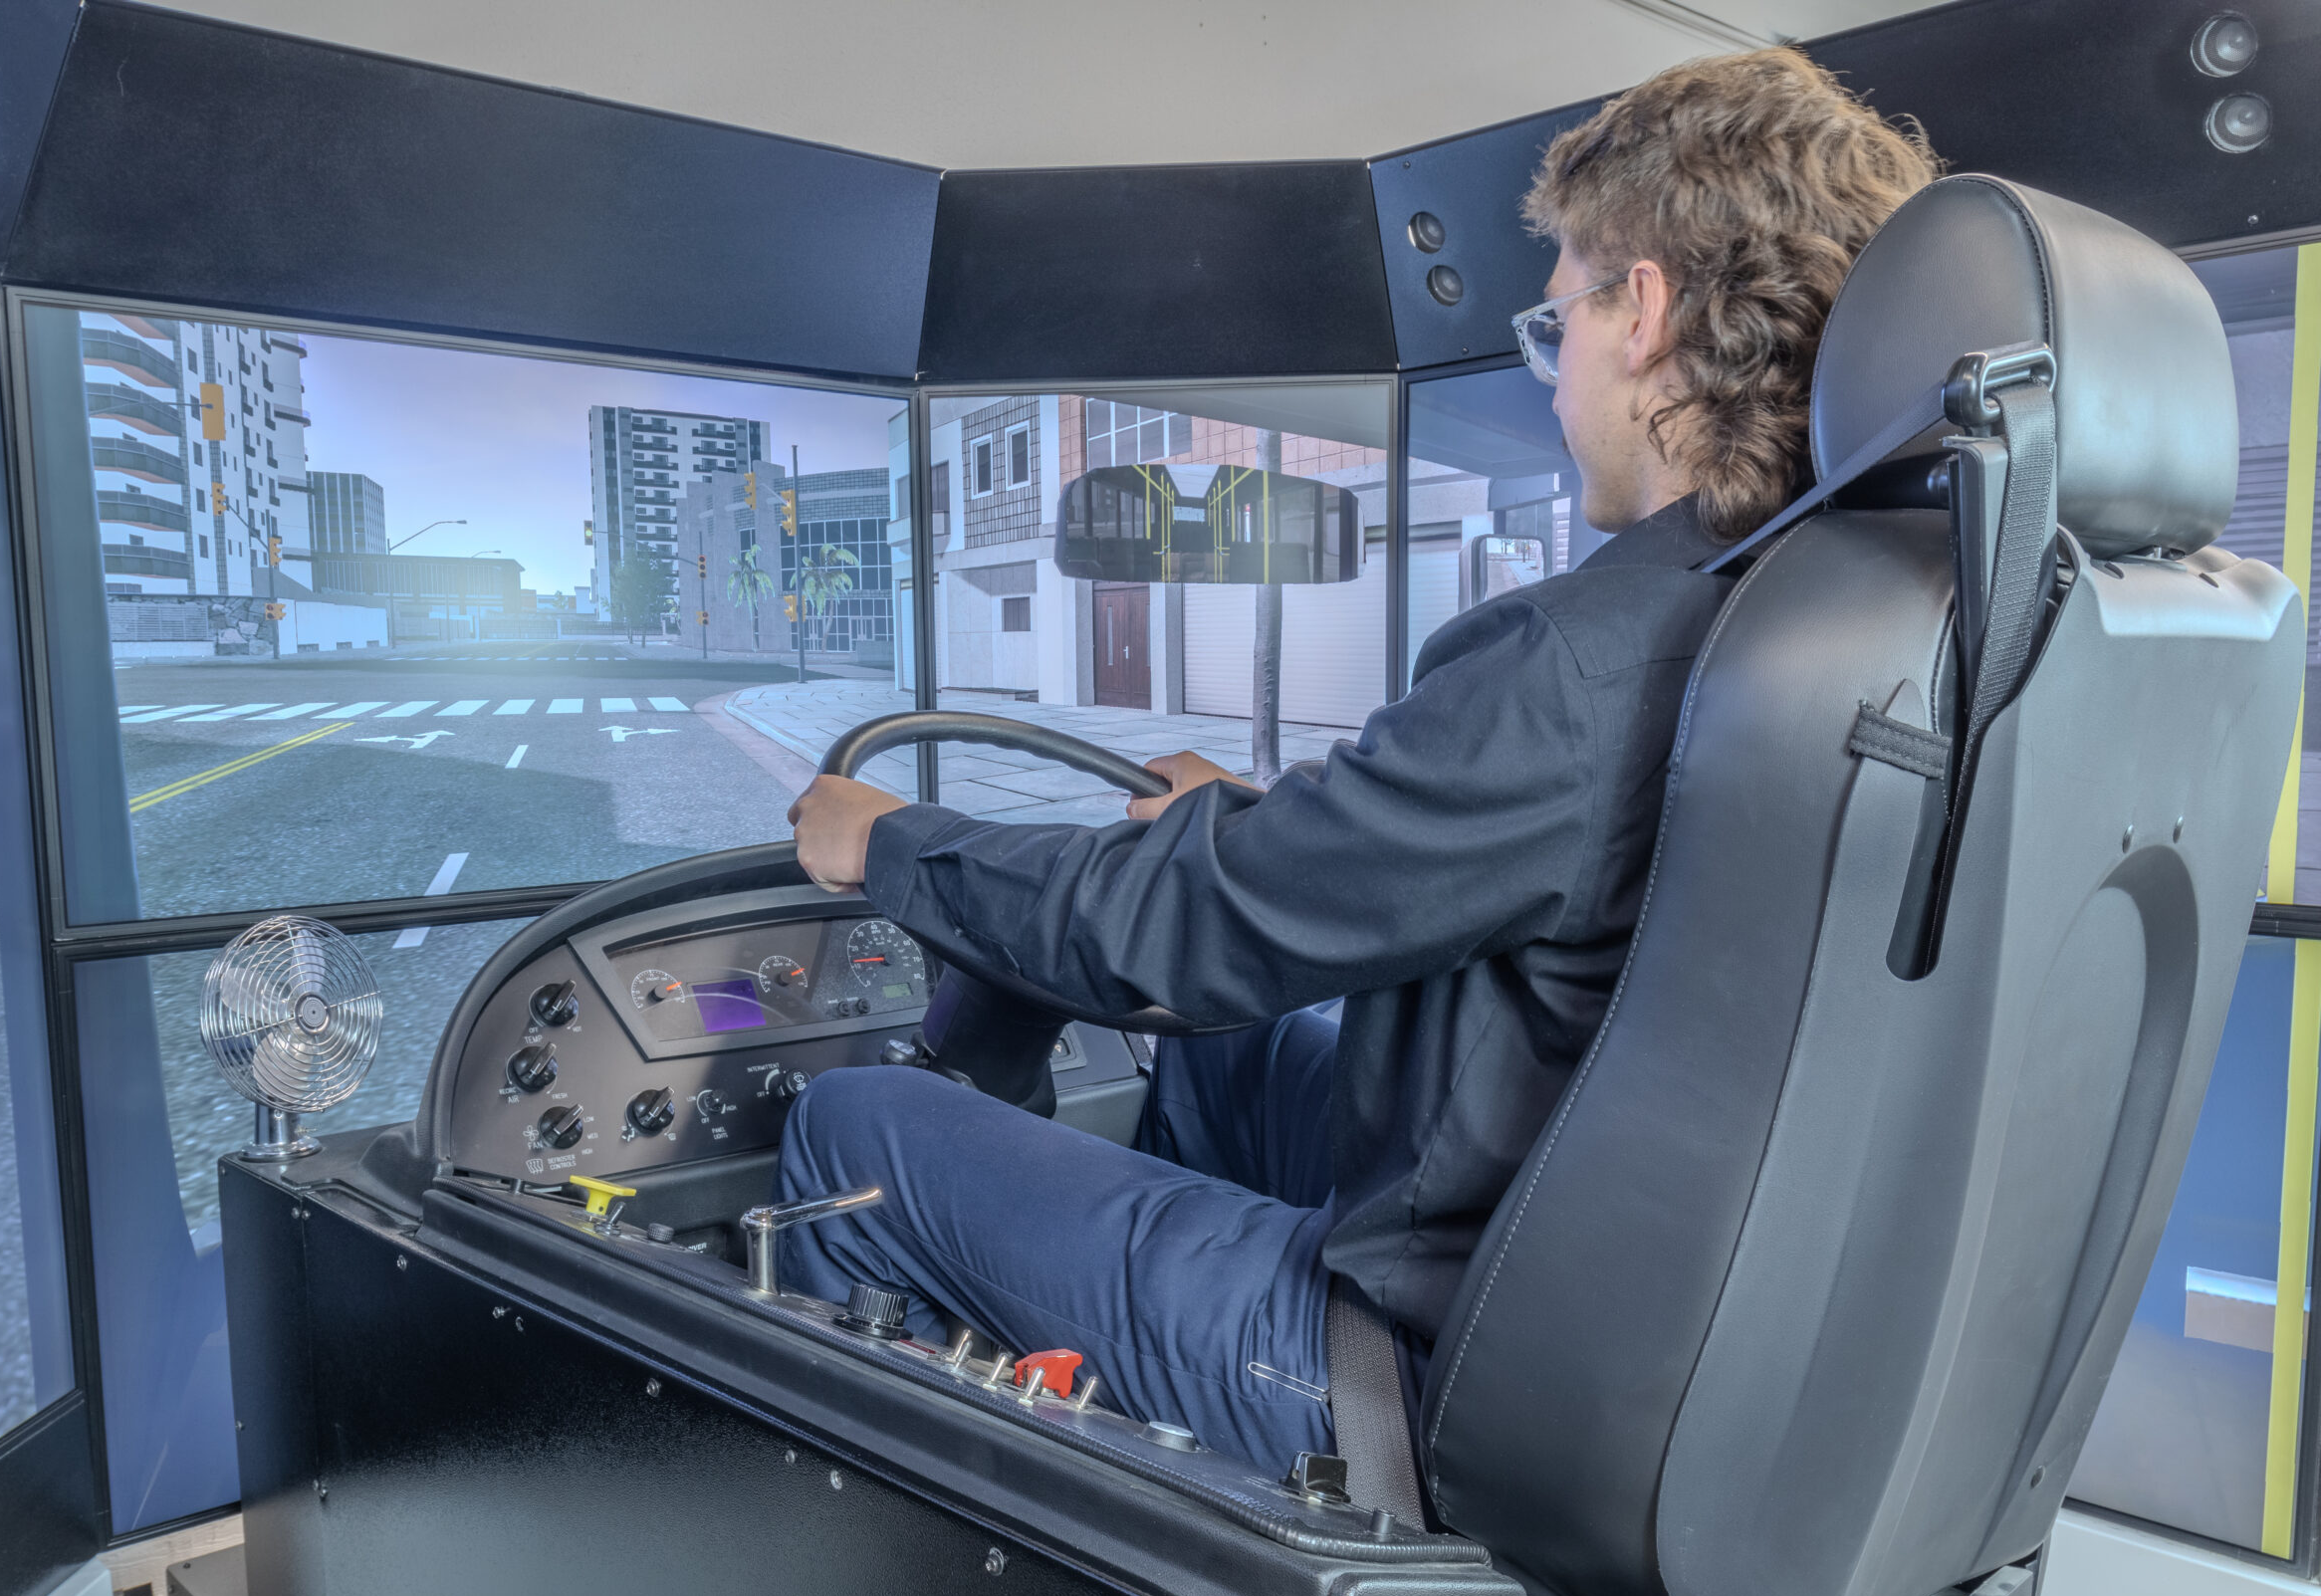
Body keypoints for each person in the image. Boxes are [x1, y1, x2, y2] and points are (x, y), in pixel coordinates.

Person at [776, 49, 1939, 1470]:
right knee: (1221, 1053)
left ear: (1641, 313)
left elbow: (1186, 925)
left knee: (858, 1130)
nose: (1551, 384)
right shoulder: (1847, 625)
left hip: (1433, 1376)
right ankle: (1173, 1473)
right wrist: (1264, 822)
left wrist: (887, 841)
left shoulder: (1589, 659)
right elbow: (1518, 865)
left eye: (1556, 321)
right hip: (1634, 1320)